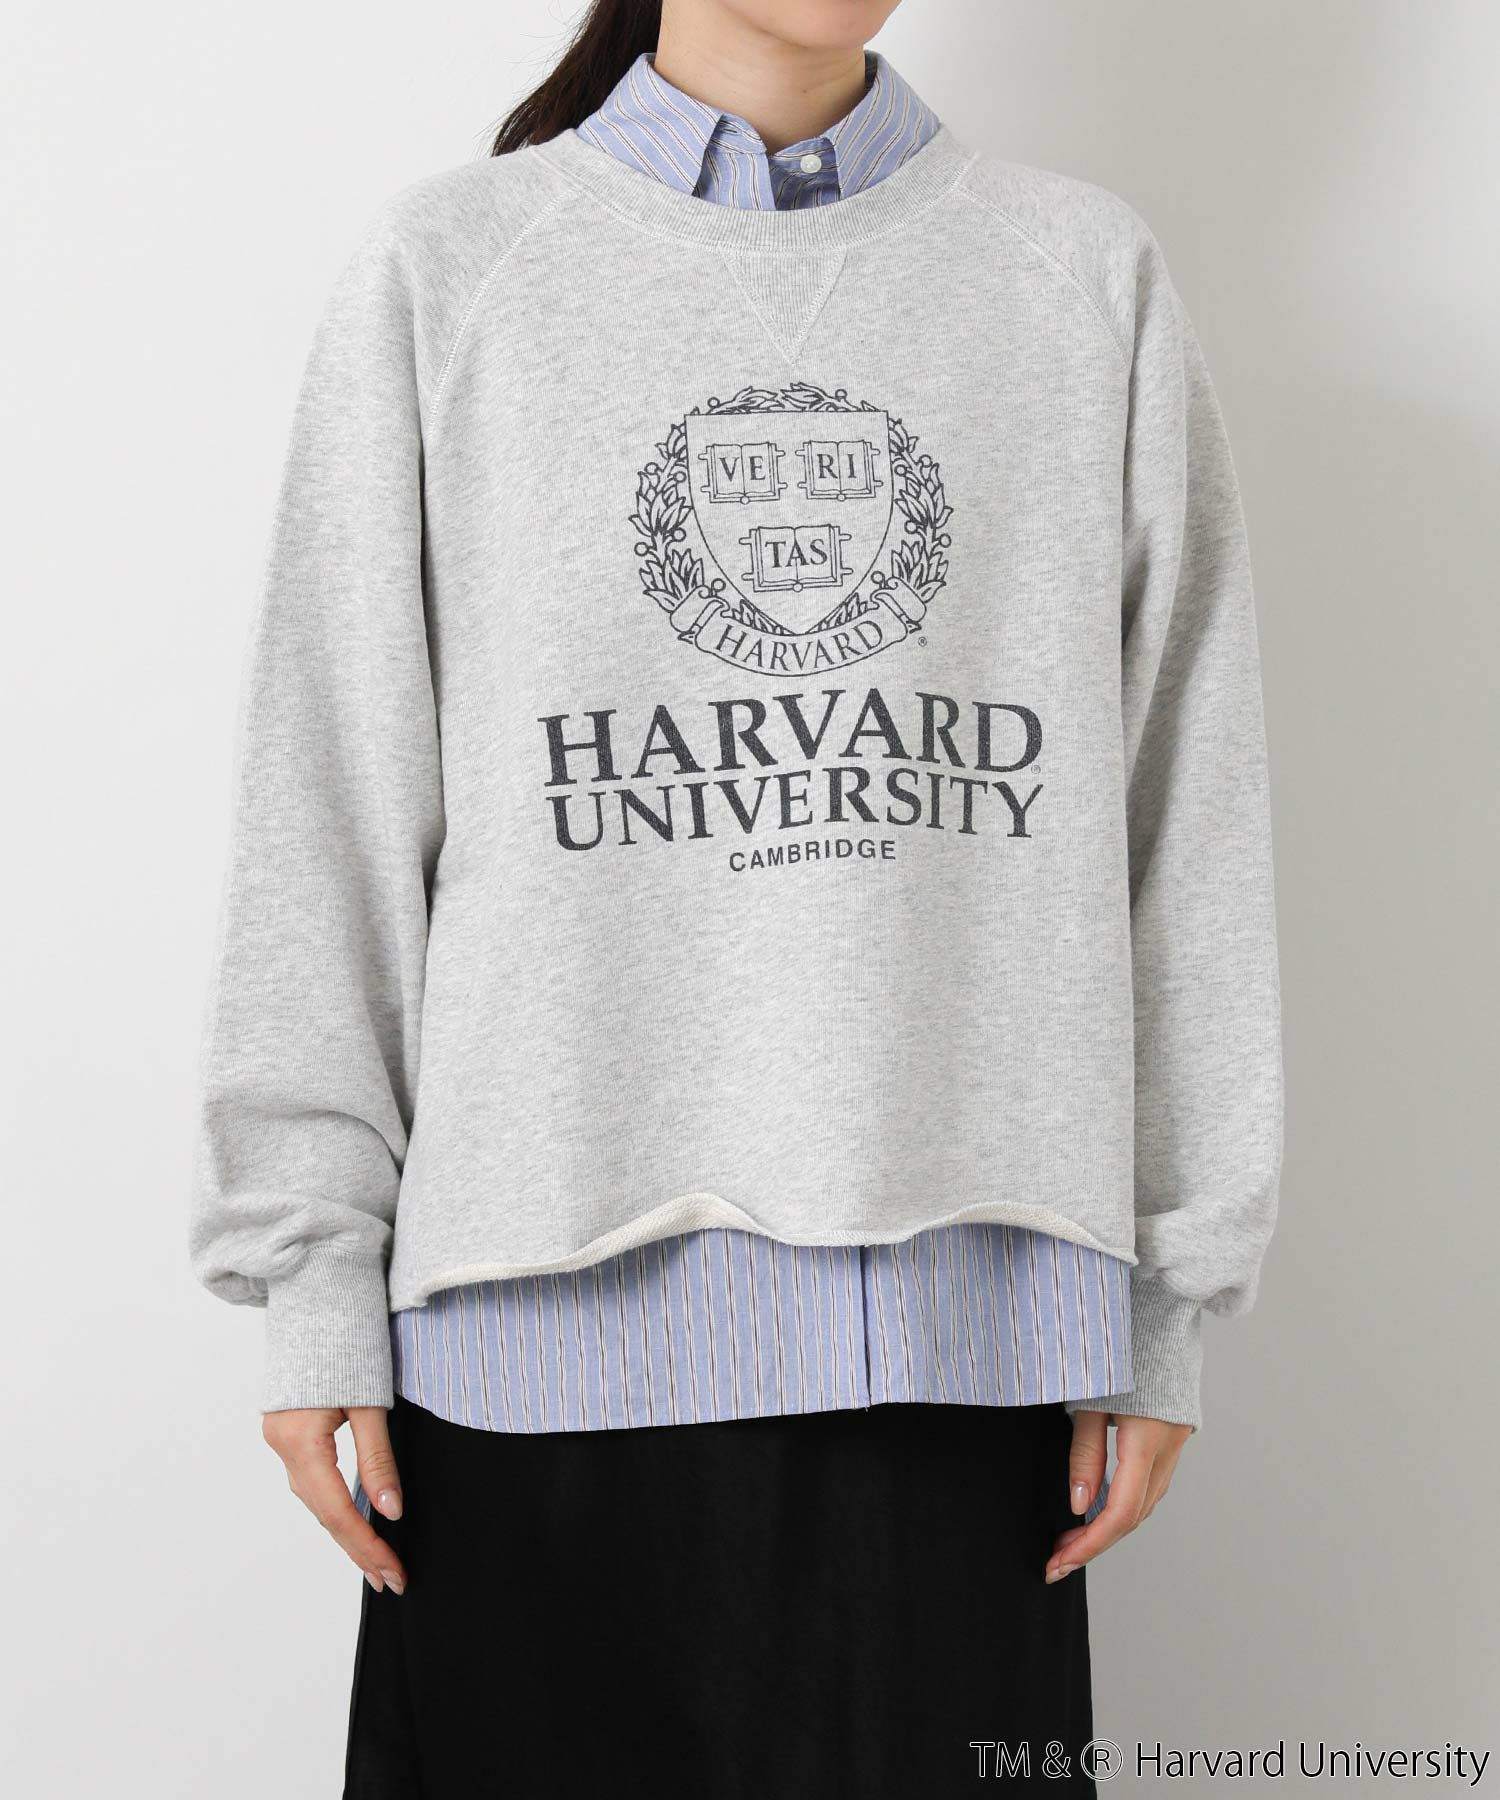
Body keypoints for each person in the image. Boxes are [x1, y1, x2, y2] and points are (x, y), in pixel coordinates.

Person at [190, 0, 1283, 1793]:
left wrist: (1165, 1298)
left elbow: (1185, 811)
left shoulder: (1080, 279)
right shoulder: (451, 274)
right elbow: (334, 798)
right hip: (529, 1355)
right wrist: (312, 1275)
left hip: (965, 1357)